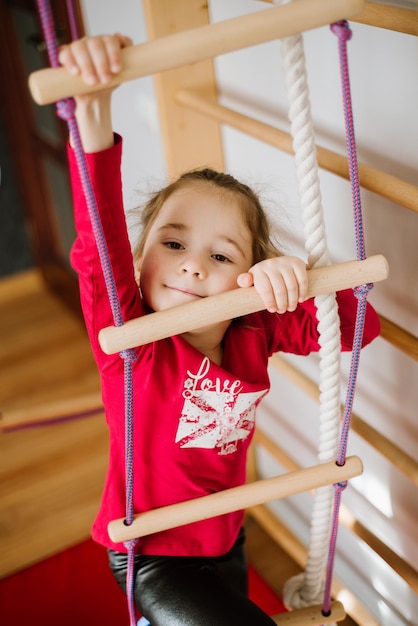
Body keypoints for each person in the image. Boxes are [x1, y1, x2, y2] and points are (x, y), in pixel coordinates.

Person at [59, 34, 380, 626]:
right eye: (174, 243)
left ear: (247, 278)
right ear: (142, 254)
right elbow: (95, 239)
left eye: (223, 256)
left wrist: (298, 279)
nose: (193, 265)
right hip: (151, 555)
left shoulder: (254, 329)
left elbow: (360, 327)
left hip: (229, 537)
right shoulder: (133, 342)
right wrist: (92, 109)